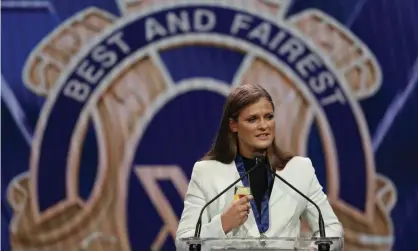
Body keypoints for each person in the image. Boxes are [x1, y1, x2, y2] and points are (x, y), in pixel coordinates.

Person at [175, 84, 343, 248]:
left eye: (269, 117)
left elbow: (331, 228)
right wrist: (222, 224)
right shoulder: (206, 173)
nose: (264, 126)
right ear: (233, 125)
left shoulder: (299, 170)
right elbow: (184, 242)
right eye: (252, 119)